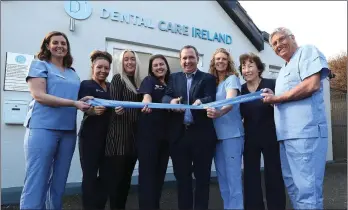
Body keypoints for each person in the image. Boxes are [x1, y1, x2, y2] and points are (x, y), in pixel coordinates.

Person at [20, 31, 92, 209]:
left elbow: (72, 98)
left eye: (64, 43)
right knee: (37, 180)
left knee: (59, 182)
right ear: (47, 46)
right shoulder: (39, 65)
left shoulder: (72, 73)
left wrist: (82, 101)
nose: (60, 46)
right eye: (55, 42)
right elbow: (39, 95)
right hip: (42, 128)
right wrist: (74, 103)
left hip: (68, 131)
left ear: (68, 48)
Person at [262, 27, 330, 209]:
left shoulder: (306, 51)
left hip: (305, 135)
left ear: (292, 38)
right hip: (285, 137)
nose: (278, 45)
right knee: (293, 188)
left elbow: (312, 85)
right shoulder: (284, 69)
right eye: (274, 44)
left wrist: (276, 98)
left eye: (281, 39)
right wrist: (273, 94)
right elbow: (286, 95)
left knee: (308, 191)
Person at [162, 45, 217, 210]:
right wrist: (170, 102)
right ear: (180, 60)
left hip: (202, 136)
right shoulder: (173, 78)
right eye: (184, 58)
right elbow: (166, 95)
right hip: (179, 137)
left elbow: (211, 96)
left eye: (191, 57)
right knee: (182, 180)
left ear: (197, 59)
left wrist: (202, 102)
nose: (187, 61)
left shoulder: (207, 78)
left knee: (202, 180)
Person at [239, 53, 286, 210]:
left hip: (270, 135)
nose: (247, 70)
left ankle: (276, 206)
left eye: (250, 65)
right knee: (250, 175)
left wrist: (274, 100)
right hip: (250, 136)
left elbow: (282, 106)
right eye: (244, 67)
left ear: (259, 68)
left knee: (273, 173)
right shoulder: (241, 90)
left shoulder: (271, 84)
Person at [205, 48, 244, 210]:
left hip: (232, 135)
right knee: (222, 178)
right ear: (213, 62)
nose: (220, 61)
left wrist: (219, 112)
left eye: (223, 59)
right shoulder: (212, 83)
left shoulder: (232, 79)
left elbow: (230, 102)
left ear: (228, 62)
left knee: (233, 178)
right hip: (216, 137)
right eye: (217, 59)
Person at [103, 49, 142, 209]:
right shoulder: (118, 79)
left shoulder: (139, 82)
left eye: (132, 59)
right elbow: (113, 103)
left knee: (126, 181)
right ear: (121, 63)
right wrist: (116, 109)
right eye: (126, 59)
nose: (129, 62)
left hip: (133, 139)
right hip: (119, 138)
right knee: (117, 182)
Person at [78, 50, 113, 210]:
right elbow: (83, 105)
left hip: (109, 138)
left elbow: (117, 105)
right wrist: (91, 111)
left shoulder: (111, 87)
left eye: (106, 68)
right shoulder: (86, 84)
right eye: (100, 67)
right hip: (90, 138)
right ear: (93, 67)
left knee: (106, 176)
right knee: (90, 176)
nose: (103, 71)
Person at [136, 54, 171, 210]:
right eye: (155, 65)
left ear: (166, 66)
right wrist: (146, 103)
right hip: (148, 136)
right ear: (151, 68)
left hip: (166, 137)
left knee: (159, 176)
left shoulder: (171, 83)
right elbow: (147, 96)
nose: (159, 67)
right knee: (147, 177)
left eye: (161, 64)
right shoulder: (149, 81)